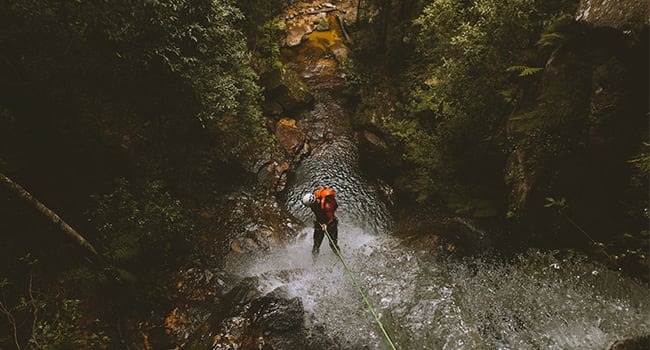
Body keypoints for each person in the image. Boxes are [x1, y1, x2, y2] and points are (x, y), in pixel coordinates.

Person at [302, 187, 339, 261]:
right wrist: (321, 223)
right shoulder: (315, 203)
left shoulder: (327, 206)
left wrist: (326, 224)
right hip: (320, 223)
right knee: (316, 246)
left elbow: (331, 217)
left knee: (333, 244)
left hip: (331, 224)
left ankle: (338, 256)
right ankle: (314, 262)